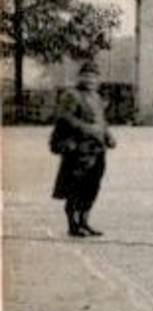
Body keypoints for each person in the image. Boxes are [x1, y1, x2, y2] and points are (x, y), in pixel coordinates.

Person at [50, 62, 116, 237]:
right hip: (78, 149)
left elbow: (102, 121)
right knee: (76, 186)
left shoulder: (96, 97)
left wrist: (108, 136)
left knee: (92, 186)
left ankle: (85, 221)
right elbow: (64, 117)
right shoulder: (71, 95)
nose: (90, 79)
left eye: (93, 76)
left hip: (97, 148)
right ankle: (73, 224)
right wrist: (87, 128)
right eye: (86, 75)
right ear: (80, 77)